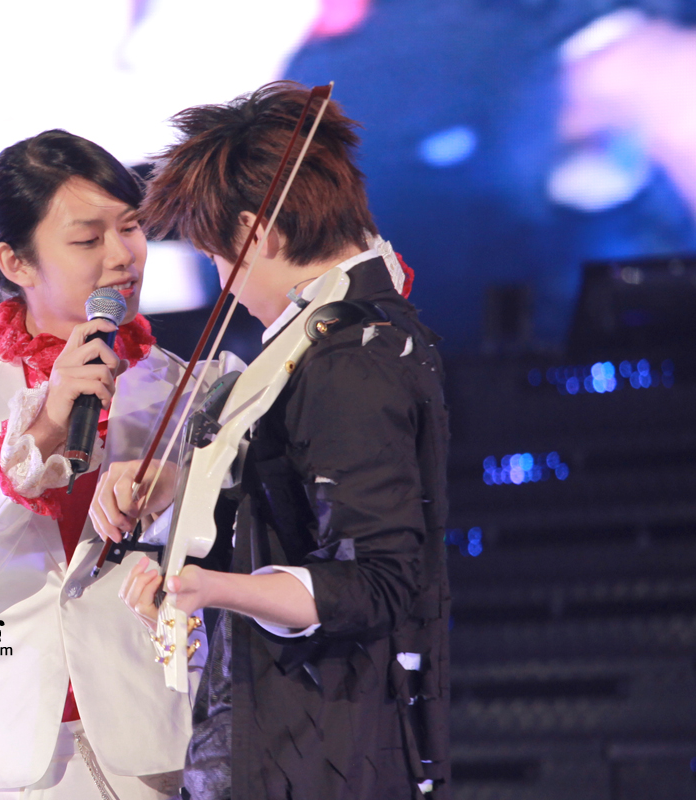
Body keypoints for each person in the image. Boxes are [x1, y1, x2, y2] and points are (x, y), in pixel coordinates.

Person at [92, 82, 452, 799]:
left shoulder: (350, 357)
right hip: (292, 741)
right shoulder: (333, 340)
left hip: (314, 753)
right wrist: (178, 488)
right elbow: (296, 499)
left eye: (218, 257)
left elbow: (377, 580)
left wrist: (208, 588)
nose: (225, 284)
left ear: (259, 234)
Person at [0, 130, 202, 800]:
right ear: (16, 262)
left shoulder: (187, 391)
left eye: (132, 227)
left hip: (148, 754)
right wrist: (43, 434)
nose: (123, 255)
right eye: (87, 239)